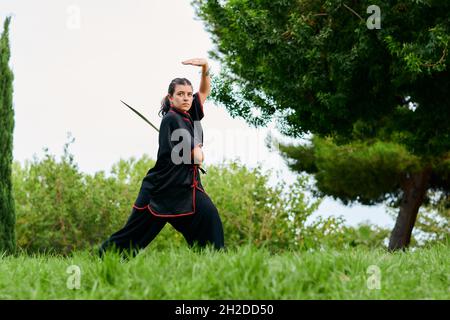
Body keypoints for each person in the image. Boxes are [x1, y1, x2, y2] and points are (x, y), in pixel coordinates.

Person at [99, 58, 225, 258]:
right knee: (133, 237)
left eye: (187, 94)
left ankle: (216, 263)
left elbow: (204, 92)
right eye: (180, 94)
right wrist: (199, 147)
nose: (186, 98)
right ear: (171, 97)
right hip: (161, 190)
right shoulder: (173, 119)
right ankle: (104, 261)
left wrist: (205, 68)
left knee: (209, 219)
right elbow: (197, 157)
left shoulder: (188, 112)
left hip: (185, 188)